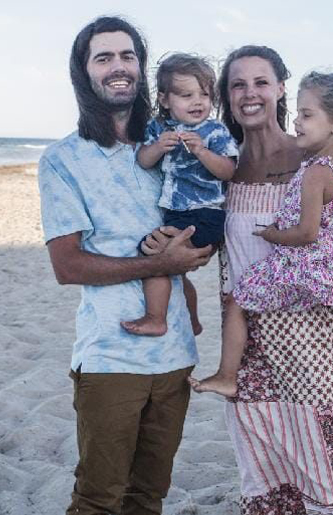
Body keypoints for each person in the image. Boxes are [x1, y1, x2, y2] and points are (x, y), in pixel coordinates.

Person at [144, 46, 333, 515]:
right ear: (226, 97)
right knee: (260, 470)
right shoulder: (219, 166)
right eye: (236, 85)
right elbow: (212, 246)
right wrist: (165, 249)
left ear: (281, 87)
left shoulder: (314, 160)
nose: (249, 93)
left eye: (261, 81)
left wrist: (326, 283)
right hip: (245, 345)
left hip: (312, 342)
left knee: (324, 472)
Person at [38, 16, 210, 515]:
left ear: (143, 66)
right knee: (97, 496)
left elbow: (201, 216)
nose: (117, 66)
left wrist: (187, 267)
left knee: (151, 490)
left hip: (176, 351)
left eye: (127, 55)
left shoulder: (173, 142)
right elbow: (67, 265)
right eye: (102, 57)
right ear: (84, 72)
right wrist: (158, 265)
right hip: (110, 352)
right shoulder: (63, 159)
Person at [190, 71, 333, 398]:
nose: (297, 121)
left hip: (302, 262)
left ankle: (226, 375)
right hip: (331, 261)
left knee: (237, 300)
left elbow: (305, 232)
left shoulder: (316, 171)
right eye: (297, 113)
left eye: (306, 114)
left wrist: (275, 235)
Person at [122, 53, 238, 337]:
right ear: (164, 100)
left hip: (207, 213)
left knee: (155, 255)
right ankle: (192, 320)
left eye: (204, 94)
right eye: (186, 95)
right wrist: (158, 147)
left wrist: (202, 152)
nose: (198, 101)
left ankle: (156, 317)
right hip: (175, 211)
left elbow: (228, 171)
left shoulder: (214, 131)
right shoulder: (158, 128)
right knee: (174, 268)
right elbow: (144, 161)